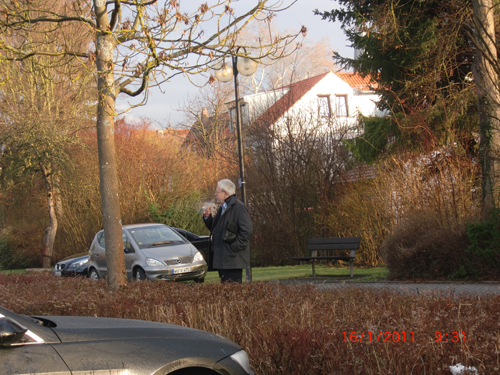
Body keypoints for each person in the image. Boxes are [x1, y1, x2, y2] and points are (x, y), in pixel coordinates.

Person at [203, 179, 253, 283]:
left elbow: (246, 231)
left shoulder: (239, 207)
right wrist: (208, 218)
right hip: (223, 259)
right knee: (226, 294)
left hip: (232, 260)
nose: (215, 194)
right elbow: (216, 229)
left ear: (225, 193)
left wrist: (233, 247)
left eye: (217, 192)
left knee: (233, 294)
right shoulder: (223, 208)